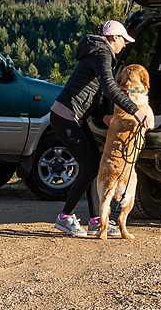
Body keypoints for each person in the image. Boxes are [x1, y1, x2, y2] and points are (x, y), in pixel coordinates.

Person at [51, 20, 147, 237]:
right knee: (90, 167)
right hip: (65, 117)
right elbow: (108, 87)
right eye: (123, 40)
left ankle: (96, 222)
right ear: (114, 37)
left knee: (94, 165)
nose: (124, 45)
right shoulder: (101, 53)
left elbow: (91, 92)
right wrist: (135, 110)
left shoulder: (97, 52)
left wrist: (101, 116)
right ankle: (64, 218)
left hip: (73, 117)